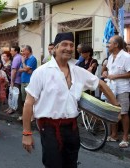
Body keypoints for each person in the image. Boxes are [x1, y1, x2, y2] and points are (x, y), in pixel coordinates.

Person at [22, 32, 119, 167]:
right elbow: (28, 102)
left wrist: (116, 109)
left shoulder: (77, 71)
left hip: (72, 128)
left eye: (71, 45)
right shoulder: (41, 72)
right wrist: (27, 133)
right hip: (49, 128)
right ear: (55, 48)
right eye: (64, 44)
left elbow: (101, 84)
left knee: (71, 164)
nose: (68, 48)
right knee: (53, 165)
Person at [103, 35, 130, 148]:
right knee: (112, 111)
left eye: (110, 43)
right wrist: (105, 73)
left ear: (116, 45)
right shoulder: (110, 57)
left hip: (122, 89)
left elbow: (129, 73)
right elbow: (108, 70)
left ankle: (125, 137)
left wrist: (115, 76)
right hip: (111, 88)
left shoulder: (126, 56)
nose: (108, 44)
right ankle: (114, 135)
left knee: (123, 113)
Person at [18, 45, 37, 121]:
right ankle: (25, 116)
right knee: (24, 100)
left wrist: (23, 63)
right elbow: (20, 70)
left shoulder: (32, 59)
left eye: (23, 50)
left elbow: (25, 69)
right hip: (23, 81)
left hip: (30, 81)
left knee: (30, 100)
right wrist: (25, 69)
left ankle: (32, 116)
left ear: (28, 51)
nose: (22, 52)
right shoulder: (25, 59)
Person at [10, 46, 22, 115]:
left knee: (17, 97)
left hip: (16, 80)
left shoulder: (16, 58)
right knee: (18, 97)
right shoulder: (19, 57)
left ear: (16, 51)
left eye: (12, 50)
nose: (11, 52)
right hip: (19, 79)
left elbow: (14, 71)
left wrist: (12, 81)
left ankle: (19, 112)